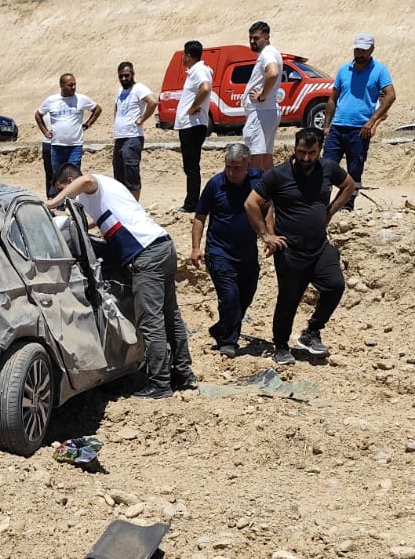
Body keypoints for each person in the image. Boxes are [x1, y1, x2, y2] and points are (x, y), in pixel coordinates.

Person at [47, 163, 195, 399]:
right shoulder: (106, 194)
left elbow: (85, 180)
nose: (64, 196)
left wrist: (53, 203)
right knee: (170, 315)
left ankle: (160, 384)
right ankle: (183, 374)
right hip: (162, 246)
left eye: (62, 189)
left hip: (146, 255)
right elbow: (104, 220)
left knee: (151, 320)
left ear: (68, 182)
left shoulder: (92, 184)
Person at [244, 126, 354, 366]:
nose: (306, 158)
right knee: (288, 299)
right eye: (302, 152)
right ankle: (281, 345)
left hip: (319, 246)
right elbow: (251, 203)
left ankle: (312, 332)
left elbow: (348, 185)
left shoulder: (328, 169)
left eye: (311, 153)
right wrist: (265, 235)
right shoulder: (278, 175)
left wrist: (330, 212)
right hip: (290, 249)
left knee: (335, 285)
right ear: (295, 149)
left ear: (319, 151)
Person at [190, 142, 262, 357]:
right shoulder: (215, 185)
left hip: (248, 253)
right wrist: (196, 247)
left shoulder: (258, 180)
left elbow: (270, 204)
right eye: (228, 167)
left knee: (245, 297)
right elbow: (200, 217)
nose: (231, 172)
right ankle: (228, 342)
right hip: (219, 252)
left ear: (248, 165)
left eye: (237, 167)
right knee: (229, 296)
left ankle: (220, 328)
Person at [322, 35, 395, 210]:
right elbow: (332, 98)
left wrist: (373, 121)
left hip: (360, 129)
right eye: (357, 49)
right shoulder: (343, 70)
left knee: (354, 171)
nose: (359, 53)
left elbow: (390, 95)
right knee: (325, 168)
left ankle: (347, 206)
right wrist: (326, 126)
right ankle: (321, 205)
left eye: (363, 50)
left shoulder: (379, 70)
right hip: (338, 127)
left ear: (371, 50)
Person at [34, 73, 101, 185]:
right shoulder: (52, 100)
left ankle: (73, 201)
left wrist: (87, 124)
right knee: (58, 177)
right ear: (62, 85)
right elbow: (38, 115)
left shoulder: (81, 99)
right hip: (57, 146)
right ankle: (60, 202)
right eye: (70, 85)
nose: (73, 87)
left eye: (75, 84)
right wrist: (45, 132)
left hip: (75, 146)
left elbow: (97, 109)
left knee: (73, 177)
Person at [175, 41, 213, 214]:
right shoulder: (196, 71)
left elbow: (205, 88)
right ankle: (192, 201)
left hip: (192, 124)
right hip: (190, 125)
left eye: (184, 54)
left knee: (191, 166)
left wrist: (193, 106)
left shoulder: (199, 70)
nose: (182, 58)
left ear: (188, 56)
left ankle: (191, 204)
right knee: (191, 165)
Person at [111, 61, 155, 200]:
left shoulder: (139, 88)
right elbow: (117, 108)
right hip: (120, 137)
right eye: (121, 76)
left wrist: (142, 119)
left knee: (131, 171)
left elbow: (153, 102)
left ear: (132, 74)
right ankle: (124, 202)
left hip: (133, 136)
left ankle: (134, 205)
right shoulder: (120, 90)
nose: (124, 79)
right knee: (119, 171)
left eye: (126, 75)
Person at [243, 21, 282, 170]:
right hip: (267, 111)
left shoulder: (267, 53)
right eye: (250, 38)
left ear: (266, 37)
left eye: (256, 38)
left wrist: (261, 95)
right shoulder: (272, 52)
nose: (252, 41)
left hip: (261, 112)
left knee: (255, 157)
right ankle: (270, 192)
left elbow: (272, 72)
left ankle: (254, 191)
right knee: (266, 157)